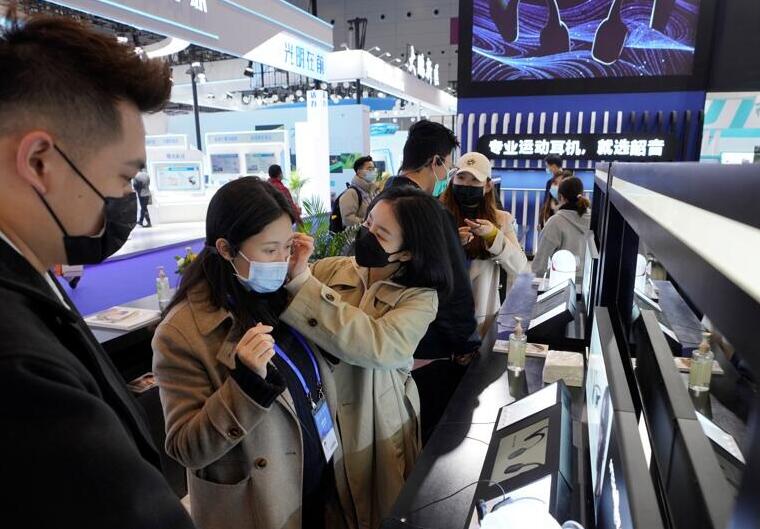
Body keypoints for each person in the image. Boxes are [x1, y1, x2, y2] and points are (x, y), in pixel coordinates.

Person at [0, 9, 193, 528]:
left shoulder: (29, 280)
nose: (123, 199)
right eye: (123, 177)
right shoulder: (17, 361)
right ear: (39, 162)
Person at [153, 177, 357, 529]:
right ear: (226, 248)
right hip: (262, 504)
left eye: (287, 246)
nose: (281, 259)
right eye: (269, 250)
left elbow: (343, 344)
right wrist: (244, 387)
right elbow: (185, 447)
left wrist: (302, 280)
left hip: (320, 479)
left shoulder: (287, 293)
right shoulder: (183, 331)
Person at [281, 186, 452, 528]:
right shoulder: (332, 269)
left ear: (406, 253)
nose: (367, 235)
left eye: (381, 234)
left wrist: (303, 286)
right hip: (321, 410)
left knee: (372, 507)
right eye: (368, 223)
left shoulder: (419, 298)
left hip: (375, 419)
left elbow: (379, 345)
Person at [381, 120, 478, 443]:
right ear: (435, 161)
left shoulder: (380, 203)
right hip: (429, 354)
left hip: (384, 349)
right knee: (431, 444)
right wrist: (466, 343)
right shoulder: (431, 213)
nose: (447, 175)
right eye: (448, 167)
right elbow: (452, 288)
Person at [440, 152, 528, 336]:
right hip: (441, 315)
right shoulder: (438, 214)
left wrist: (494, 236)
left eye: (475, 180)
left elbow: (520, 268)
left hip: (482, 317)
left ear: (488, 186)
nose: (466, 185)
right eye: (461, 178)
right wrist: (453, 244)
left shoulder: (501, 220)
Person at [531, 176, 591, 279]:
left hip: (560, 283)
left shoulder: (555, 222)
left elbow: (540, 264)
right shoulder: (594, 219)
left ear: (561, 197)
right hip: (587, 282)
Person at [338, 155, 377, 229]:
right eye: (369, 169)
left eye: (373, 169)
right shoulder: (351, 193)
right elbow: (347, 219)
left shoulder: (372, 191)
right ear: (359, 172)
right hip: (358, 234)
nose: (372, 172)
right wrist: (367, 223)